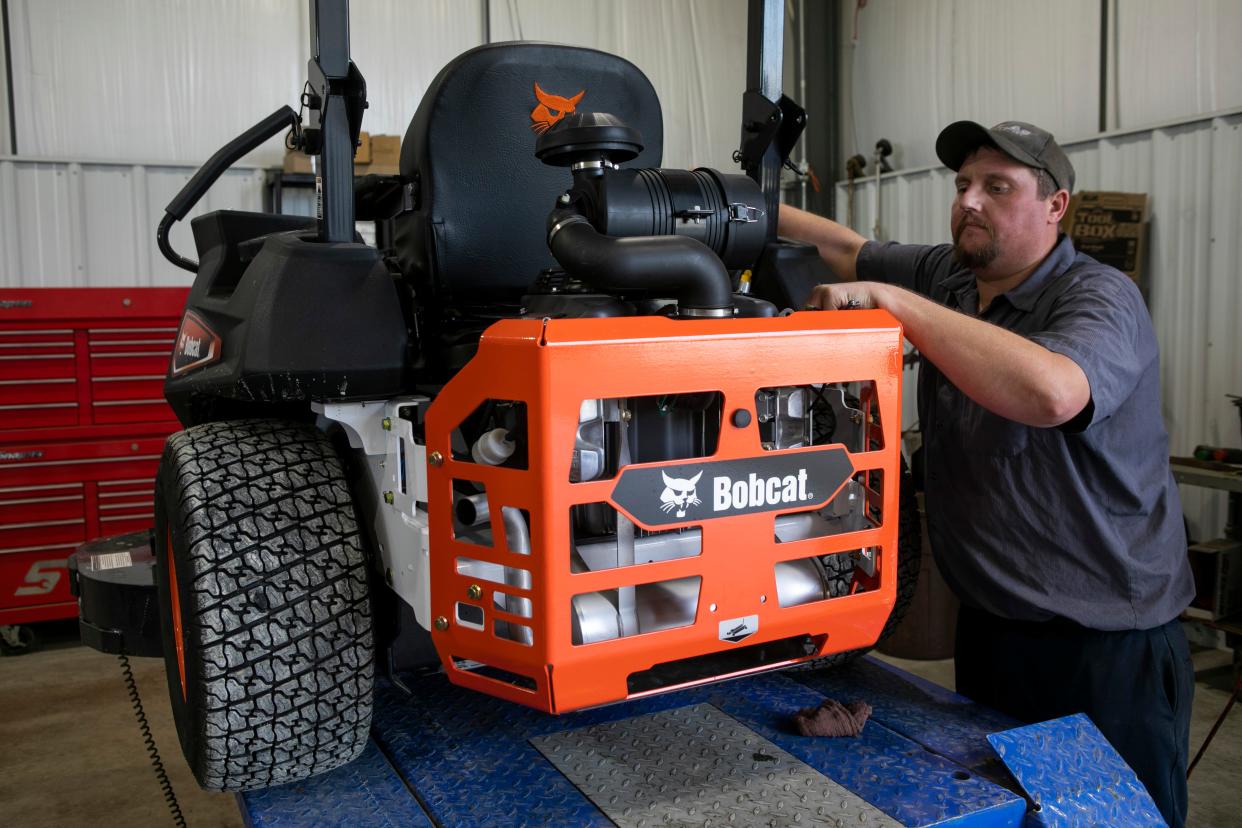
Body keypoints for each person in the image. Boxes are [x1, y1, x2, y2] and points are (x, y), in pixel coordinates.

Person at [781, 120, 1195, 826]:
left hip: (1103, 649)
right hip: (994, 634)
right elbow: (845, 249)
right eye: (964, 184)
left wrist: (897, 307)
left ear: (1056, 205)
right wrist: (728, 198)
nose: (970, 200)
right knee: (1004, 816)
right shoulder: (953, 276)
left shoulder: (1098, 298)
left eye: (997, 187)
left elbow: (1055, 393)